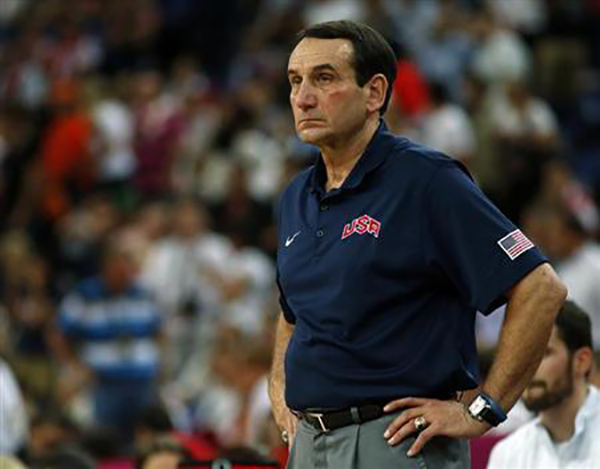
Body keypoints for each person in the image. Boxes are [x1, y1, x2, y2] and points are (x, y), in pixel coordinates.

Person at [268, 20, 567, 468]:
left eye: (324, 78)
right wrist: (279, 392)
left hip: (397, 444)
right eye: (295, 81)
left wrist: (483, 409)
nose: (303, 97)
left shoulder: (428, 182)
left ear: (374, 93)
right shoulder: (296, 196)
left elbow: (540, 287)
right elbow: (292, 314)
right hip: (311, 445)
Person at [487, 300, 599, 468]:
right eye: (521, 355)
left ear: (581, 361)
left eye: (542, 353)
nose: (527, 368)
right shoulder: (507, 454)